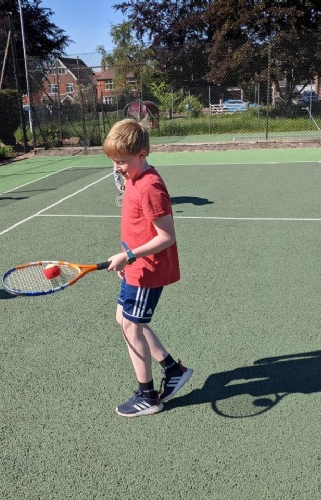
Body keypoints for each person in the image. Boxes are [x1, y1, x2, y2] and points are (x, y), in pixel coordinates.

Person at [104, 118, 193, 417]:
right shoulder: (133, 179)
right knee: (124, 319)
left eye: (121, 161)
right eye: (113, 160)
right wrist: (125, 256)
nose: (117, 167)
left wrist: (129, 257)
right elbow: (136, 228)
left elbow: (166, 236)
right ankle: (173, 369)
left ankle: (147, 396)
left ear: (141, 155)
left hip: (147, 270)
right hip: (135, 266)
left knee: (131, 326)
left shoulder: (150, 187)